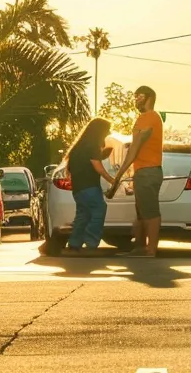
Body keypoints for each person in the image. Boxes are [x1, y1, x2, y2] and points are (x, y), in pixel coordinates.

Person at [109, 86, 164, 257]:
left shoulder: (148, 117)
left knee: (150, 212)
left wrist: (117, 178)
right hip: (144, 171)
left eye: (139, 96)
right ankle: (140, 247)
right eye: (135, 97)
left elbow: (134, 149)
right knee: (141, 213)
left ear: (149, 97)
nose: (136, 100)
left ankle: (151, 250)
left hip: (148, 172)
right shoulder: (150, 118)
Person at [60, 118, 113, 254]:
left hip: (78, 188)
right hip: (90, 186)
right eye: (107, 131)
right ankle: (91, 243)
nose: (108, 133)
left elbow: (84, 164)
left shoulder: (79, 147)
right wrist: (112, 180)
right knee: (99, 209)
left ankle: (74, 244)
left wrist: (102, 154)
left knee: (83, 215)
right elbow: (98, 167)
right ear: (99, 131)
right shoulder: (92, 146)